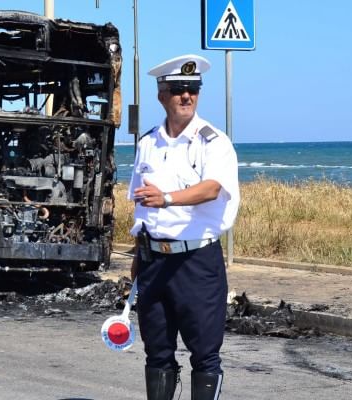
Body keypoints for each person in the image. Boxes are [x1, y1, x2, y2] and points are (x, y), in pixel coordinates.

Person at [127, 54, 240, 400]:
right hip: (154, 261)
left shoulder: (212, 141)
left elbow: (211, 188)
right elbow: (141, 203)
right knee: (157, 353)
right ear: (162, 94)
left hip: (196, 263)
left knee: (204, 355)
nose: (186, 96)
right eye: (178, 90)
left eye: (192, 89)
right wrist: (137, 259)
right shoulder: (148, 143)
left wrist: (168, 198)